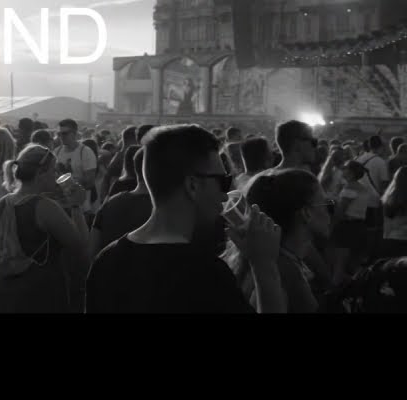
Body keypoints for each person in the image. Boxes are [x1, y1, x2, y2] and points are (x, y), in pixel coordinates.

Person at [85, 124, 286, 313]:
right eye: (222, 182)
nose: (225, 195)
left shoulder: (106, 260)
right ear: (192, 185)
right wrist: (264, 265)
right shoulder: (205, 274)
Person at [0, 143, 89, 312]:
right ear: (41, 173)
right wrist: (76, 206)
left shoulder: (2, 204)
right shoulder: (44, 207)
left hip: (7, 293)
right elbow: (81, 246)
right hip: (42, 295)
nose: (56, 176)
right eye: (53, 170)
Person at [222, 168, 332, 312]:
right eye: (326, 204)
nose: (331, 211)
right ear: (307, 213)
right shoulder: (281, 271)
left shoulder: (283, 258)